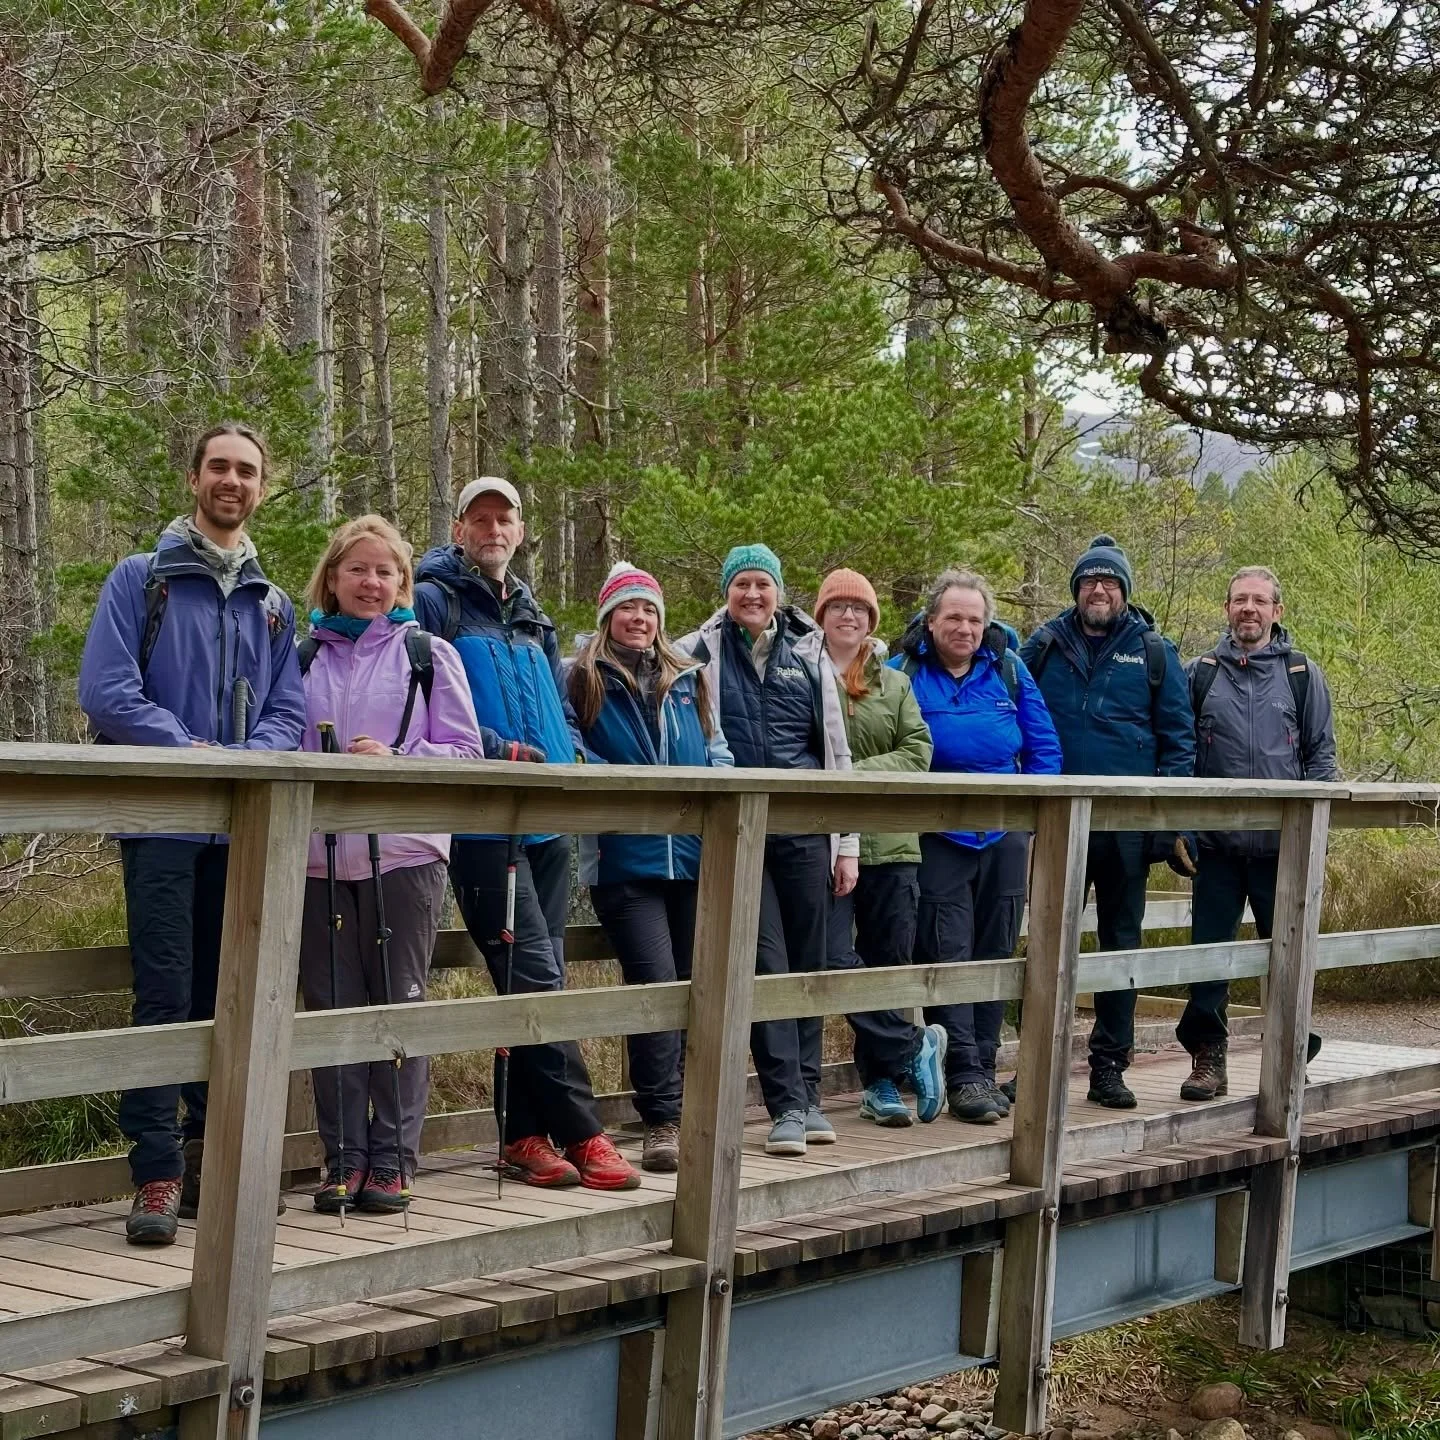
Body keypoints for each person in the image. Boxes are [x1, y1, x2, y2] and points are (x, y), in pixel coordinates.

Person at [78, 421, 307, 1245]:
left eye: (247, 470)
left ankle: (220, 1168)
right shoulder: (144, 582)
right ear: (194, 478)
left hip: (240, 829)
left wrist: (249, 759)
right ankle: (156, 1175)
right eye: (219, 467)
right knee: (165, 996)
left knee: (231, 997)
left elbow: (290, 710)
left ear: (261, 486)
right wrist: (191, 750)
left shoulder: (272, 602)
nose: (232, 481)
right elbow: (107, 691)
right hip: (164, 821)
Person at [414, 477, 639, 1191]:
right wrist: (487, 747)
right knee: (533, 971)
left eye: (503, 518)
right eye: (479, 518)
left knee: (536, 978)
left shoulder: (531, 611)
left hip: (547, 816)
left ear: (518, 530)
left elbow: (555, 700)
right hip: (483, 817)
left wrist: (570, 747)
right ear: (459, 528)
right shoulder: (434, 599)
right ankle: (587, 1132)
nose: (492, 528)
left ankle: (523, 1135)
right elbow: (422, 696)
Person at [298, 516, 485, 1212]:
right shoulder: (302, 659)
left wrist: (398, 761)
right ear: (333, 578)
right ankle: (341, 1157)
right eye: (358, 570)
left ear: (402, 583)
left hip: (405, 853)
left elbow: (466, 754)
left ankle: (394, 1159)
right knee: (330, 1008)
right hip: (319, 859)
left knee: (397, 1000)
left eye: (385, 572)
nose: (371, 583)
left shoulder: (425, 653)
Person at [679, 543, 852, 1157]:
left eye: (763, 585)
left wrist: (847, 844)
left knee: (811, 966)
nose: (752, 595)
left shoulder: (809, 655)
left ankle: (810, 1098)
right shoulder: (698, 652)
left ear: (779, 592)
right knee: (766, 965)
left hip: (806, 830)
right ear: (727, 591)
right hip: (740, 835)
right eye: (742, 584)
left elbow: (836, 751)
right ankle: (784, 1104)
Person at [1020, 535, 1196, 1110]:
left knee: (1120, 945)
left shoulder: (1152, 651)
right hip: (1054, 825)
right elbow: (1014, 721)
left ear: (1123, 591)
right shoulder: (1043, 645)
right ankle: (1035, 1067)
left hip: (1125, 828)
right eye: (1090, 581)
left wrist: (1172, 824)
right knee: (1046, 943)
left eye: (1110, 582)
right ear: (1076, 589)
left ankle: (1107, 1067)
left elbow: (1179, 741)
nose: (1100, 589)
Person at [568, 563, 734, 1172]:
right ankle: (661, 1121)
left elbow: (715, 747)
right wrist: (608, 783)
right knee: (656, 988)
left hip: (691, 857)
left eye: (648, 610)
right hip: (624, 859)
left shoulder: (688, 678)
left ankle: (694, 1114)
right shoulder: (583, 675)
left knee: (696, 986)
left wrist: (719, 783)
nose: (638, 619)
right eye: (627, 608)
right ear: (608, 616)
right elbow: (570, 745)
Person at [896, 570, 1064, 1123]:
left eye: (974, 619)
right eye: (954, 618)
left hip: (1004, 836)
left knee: (996, 949)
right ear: (932, 620)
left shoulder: (1009, 671)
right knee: (949, 951)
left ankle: (985, 1069)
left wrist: (1033, 828)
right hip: (936, 835)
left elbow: (1043, 749)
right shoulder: (905, 671)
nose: (965, 628)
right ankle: (963, 1072)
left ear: (986, 623)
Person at [1179, 565, 1338, 1101]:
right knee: (1209, 957)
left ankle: (1294, 1056)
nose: (1249, 608)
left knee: (1291, 956)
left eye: (1259, 601)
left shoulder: (1300, 673)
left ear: (1277, 611)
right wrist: (1185, 826)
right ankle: (1208, 1060)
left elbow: (1322, 758)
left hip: (1282, 848)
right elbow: (1181, 758)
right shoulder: (1199, 673)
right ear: (1227, 609)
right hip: (1217, 848)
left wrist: (1310, 835)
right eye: (1239, 600)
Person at [813, 569, 948, 1128]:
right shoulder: (805, 673)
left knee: (887, 968)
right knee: (826, 955)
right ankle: (914, 1046)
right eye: (838, 607)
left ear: (872, 620)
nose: (849, 616)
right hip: (821, 847)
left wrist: (850, 771)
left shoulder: (895, 683)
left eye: (860, 609)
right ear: (820, 616)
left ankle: (882, 1086)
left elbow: (919, 752)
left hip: (891, 846)